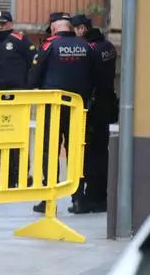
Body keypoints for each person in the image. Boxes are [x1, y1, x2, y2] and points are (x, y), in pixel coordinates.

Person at [28, 12, 100, 214]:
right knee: (76, 151)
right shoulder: (87, 47)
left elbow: (33, 77)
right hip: (79, 107)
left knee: (49, 151)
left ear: (53, 28)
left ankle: (48, 199)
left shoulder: (48, 46)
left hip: (53, 107)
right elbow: (96, 76)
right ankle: (78, 199)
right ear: (69, 27)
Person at [70, 14, 118, 214]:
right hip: (106, 102)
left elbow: (85, 79)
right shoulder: (108, 46)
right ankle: (100, 196)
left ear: (81, 29)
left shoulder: (89, 50)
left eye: (74, 30)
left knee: (88, 152)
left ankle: (88, 198)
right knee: (101, 150)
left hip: (93, 103)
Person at [0, 11, 37, 188]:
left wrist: (28, 87)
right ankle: (5, 176)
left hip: (18, 95)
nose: (0, 26)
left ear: (11, 23)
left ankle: (22, 175)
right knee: (1, 136)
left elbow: (34, 64)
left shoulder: (20, 41)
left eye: (3, 23)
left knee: (20, 136)